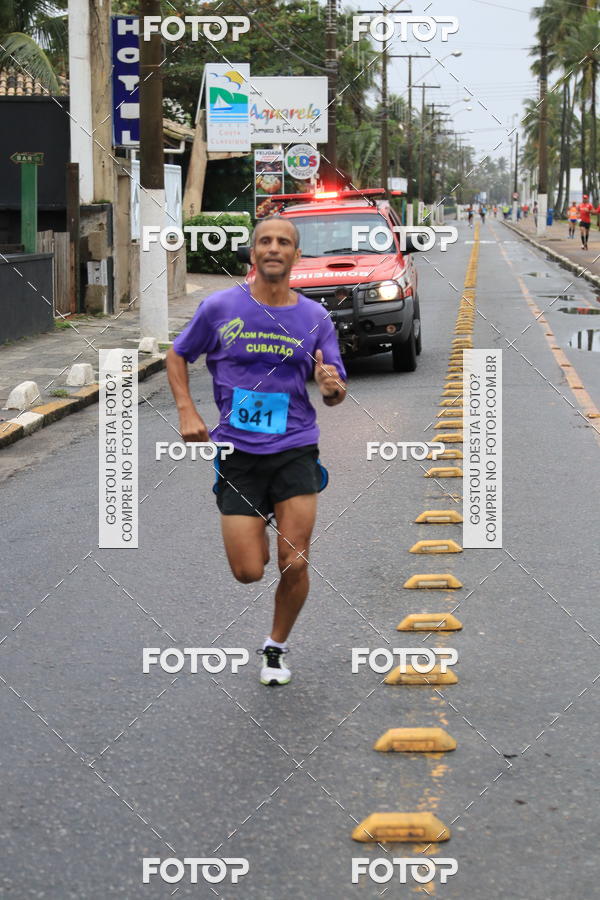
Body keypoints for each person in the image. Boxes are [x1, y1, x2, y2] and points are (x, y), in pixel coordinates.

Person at [166, 216, 347, 687]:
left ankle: (276, 646)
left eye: (283, 242)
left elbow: (334, 387)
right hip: (239, 455)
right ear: (253, 254)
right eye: (265, 240)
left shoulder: (314, 318)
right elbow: (177, 354)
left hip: (294, 448)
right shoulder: (220, 307)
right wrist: (187, 410)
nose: (273, 248)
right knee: (248, 571)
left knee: (296, 560)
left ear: (295, 256)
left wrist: (331, 387)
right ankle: (260, 528)